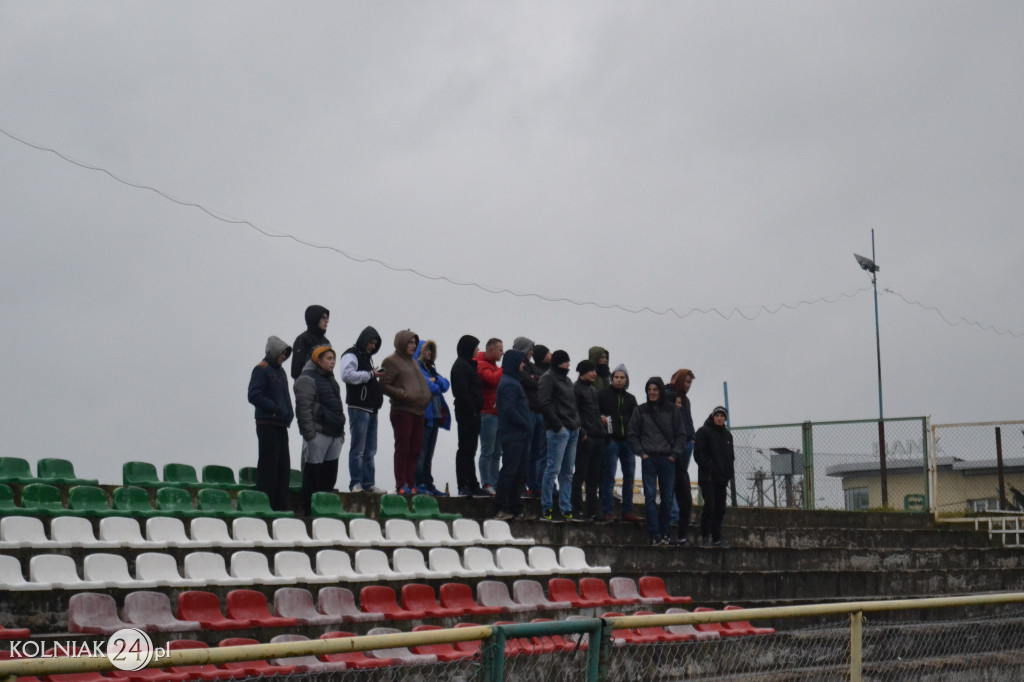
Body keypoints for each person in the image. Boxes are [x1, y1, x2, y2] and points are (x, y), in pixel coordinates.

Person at [628, 377, 685, 546]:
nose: (652, 393)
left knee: (667, 498)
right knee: (650, 497)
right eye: (649, 390)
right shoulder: (641, 410)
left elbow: (681, 434)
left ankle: (665, 533)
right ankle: (655, 533)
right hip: (649, 459)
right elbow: (632, 434)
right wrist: (642, 453)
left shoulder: (672, 410)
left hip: (667, 459)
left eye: (655, 389)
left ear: (660, 390)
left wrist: (674, 454)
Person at [294, 346, 346, 516]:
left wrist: (341, 433)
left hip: (335, 434)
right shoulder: (307, 379)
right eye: (328, 358)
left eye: (333, 359)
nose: (332, 362)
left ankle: (325, 509)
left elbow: (338, 407)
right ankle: (309, 511)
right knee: (313, 475)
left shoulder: (331, 380)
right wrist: (310, 435)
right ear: (318, 359)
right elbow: (303, 409)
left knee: (329, 476)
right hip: (319, 433)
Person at [380, 329, 433, 494]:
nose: (414, 345)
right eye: (410, 342)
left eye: (414, 342)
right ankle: (401, 483)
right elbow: (383, 385)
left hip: (418, 411)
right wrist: (403, 395)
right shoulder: (391, 361)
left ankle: (411, 483)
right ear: (402, 343)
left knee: (416, 449)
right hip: (402, 411)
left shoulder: (413, 362)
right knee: (403, 448)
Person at [247, 336, 294, 512]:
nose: (283, 357)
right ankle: (265, 506)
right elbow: (253, 394)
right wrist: (274, 408)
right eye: (282, 353)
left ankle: (280, 506)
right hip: (267, 424)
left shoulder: (280, 372)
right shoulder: (262, 369)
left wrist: (288, 413)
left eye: (285, 354)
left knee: (283, 468)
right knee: (269, 466)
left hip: (281, 424)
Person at [340, 326, 386, 494]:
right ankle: (356, 483)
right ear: (364, 340)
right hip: (358, 407)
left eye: (375, 344)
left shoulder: (367, 358)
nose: (373, 347)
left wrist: (372, 374)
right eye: (371, 342)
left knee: (370, 449)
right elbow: (346, 375)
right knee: (358, 448)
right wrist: (371, 374)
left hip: (371, 408)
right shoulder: (351, 354)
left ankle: (368, 483)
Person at [538, 350, 581, 522]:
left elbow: (572, 404)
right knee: (552, 469)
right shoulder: (548, 378)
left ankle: (565, 508)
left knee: (567, 472)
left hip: (572, 429)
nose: (569, 365)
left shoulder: (567, 380)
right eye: (565, 362)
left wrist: (576, 423)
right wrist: (558, 426)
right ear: (558, 363)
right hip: (559, 431)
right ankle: (547, 508)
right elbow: (544, 402)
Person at [598, 364, 641, 523]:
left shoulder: (631, 399)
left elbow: (637, 420)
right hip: (611, 440)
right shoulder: (602, 395)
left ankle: (627, 510)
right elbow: (596, 411)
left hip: (628, 442)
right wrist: (601, 417)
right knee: (609, 477)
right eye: (616, 377)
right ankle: (607, 511)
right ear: (612, 378)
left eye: (622, 378)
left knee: (629, 477)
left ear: (626, 380)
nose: (619, 380)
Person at [494, 349, 532, 520]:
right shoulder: (509, 383)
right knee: (510, 471)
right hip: (513, 435)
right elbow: (509, 409)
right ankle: (502, 508)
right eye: (521, 361)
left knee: (520, 473)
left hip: (520, 435)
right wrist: (525, 423)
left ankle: (516, 508)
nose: (523, 365)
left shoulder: (513, 381)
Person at [450, 335, 486, 497]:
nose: (478, 350)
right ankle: (463, 484)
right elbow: (461, 393)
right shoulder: (461, 367)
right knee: (465, 449)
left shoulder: (469, 366)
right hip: (467, 414)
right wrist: (472, 410)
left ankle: (472, 483)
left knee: (471, 450)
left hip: (473, 414)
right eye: (476, 346)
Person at [415, 339, 451, 496]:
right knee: (421, 453)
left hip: (435, 416)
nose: (429, 353)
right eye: (427, 350)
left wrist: (434, 379)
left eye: (431, 350)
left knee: (429, 454)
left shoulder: (432, 370)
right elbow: (429, 387)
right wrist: (434, 383)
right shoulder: (417, 368)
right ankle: (419, 483)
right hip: (424, 416)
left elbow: (445, 384)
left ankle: (429, 484)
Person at [695, 406, 735, 547]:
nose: (719, 418)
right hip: (708, 477)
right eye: (717, 415)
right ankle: (705, 536)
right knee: (710, 505)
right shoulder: (703, 432)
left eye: (722, 415)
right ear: (713, 416)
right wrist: (710, 467)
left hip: (722, 479)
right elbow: (699, 454)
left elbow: (730, 457)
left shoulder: (727, 436)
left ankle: (716, 537)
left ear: (725, 418)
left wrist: (729, 472)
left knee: (720, 508)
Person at [571, 359, 606, 522]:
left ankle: (592, 510)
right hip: (586, 438)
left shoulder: (593, 390)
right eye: (591, 371)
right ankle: (576, 508)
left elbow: (597, 412)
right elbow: (574, 413)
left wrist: (605, 431)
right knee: (580, 474)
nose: (594, 373)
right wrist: (582, 434)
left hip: (598, 436)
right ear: (583, 372)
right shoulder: (576, 389)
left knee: (594, 477)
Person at [670, 369, 698, 545]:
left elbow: (689, 420)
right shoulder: (670, 395)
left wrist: (692, 437)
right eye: (686, 382)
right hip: (675, 445)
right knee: (673, 481)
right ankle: (674, 514)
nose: (688, 386)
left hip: (687, 442)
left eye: (690, 383)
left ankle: (679, 514)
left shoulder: (686, 400)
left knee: (680, 481)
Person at [476, 338, 504, 495]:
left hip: (497, 414)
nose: (502, 353)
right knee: (488, 450)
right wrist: (504, 368)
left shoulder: (494, 366)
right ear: (491, 350)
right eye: (500, 349)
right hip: (487, 414)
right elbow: (492, 380)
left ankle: (495, 482)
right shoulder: (481, 364)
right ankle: (486, 483)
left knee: (497, 452)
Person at [291, 305, 330, 380]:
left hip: (326, 385)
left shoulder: (326, 341)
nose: (327, 321)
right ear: (315, 319)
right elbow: (296, 371)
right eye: (323, 318)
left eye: (327, 318)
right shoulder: (303, 340)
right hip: (308, 386)